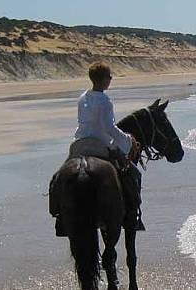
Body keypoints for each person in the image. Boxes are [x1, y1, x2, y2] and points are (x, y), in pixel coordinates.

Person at [50, 61, 145, 236]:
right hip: (101, 143)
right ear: (103, 80)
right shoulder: (105, 101)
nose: (110, 80)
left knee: (58, 177)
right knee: (133, 174)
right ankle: (133, 215)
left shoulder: (83, 97)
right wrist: (128, 140)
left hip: (80, 141)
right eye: (109, 77)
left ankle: (59, 214)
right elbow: (109, 128)